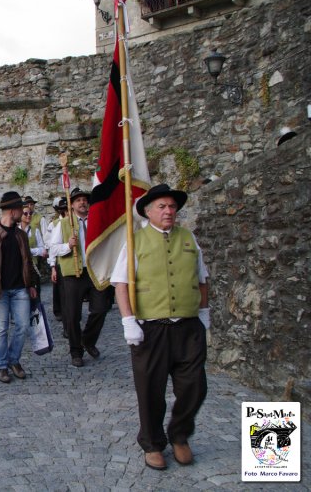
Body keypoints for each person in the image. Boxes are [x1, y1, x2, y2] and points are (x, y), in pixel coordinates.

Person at [111, 183, 210, 471]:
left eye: (172, 206)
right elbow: (121, 284)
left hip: (188, 328)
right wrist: (129, 321)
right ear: (148, 212)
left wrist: (205, 316)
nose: (169, 211)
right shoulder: (135, 242)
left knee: (195, 387)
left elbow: (203, 280)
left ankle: (179, 435)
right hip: (151, 330)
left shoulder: (188, 238)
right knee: (150, 391)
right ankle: (153, 443)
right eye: (162, 207)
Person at [0, 191, 38, 383]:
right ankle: (2, 366)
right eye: (21, 208)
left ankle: (13, 360)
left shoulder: (21, 235)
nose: (25, 211)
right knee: (1, 329)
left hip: (20, 289)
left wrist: (32, 284)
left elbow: (28, 261)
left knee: (23, 326)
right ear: (12, 211)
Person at [47, 187, 111, 367]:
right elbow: (53, 248)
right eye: (78, 200)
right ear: (72, 205)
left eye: (84, 199)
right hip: (73, 273)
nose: (82, 202)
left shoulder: (98, 222)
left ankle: (88, 340)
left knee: (100, 308)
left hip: (94, 271)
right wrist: (68, 245)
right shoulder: (64, 224)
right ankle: (76, 351)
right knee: (73, 314)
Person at [46, 197, 68, 327]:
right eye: (64, 210)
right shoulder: (53, 224)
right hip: (59, 261)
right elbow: (49, 243)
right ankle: (58, 310)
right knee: (58, 288)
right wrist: (52, 265)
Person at [19, 200, 46, 302]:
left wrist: (29, 251)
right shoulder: (16, 230)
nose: (28, 215)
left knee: (35, 292)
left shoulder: (35, 230)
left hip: (32, 265)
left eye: (30, 213)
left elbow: (42, 249)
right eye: (25, 213)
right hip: (19, 266)